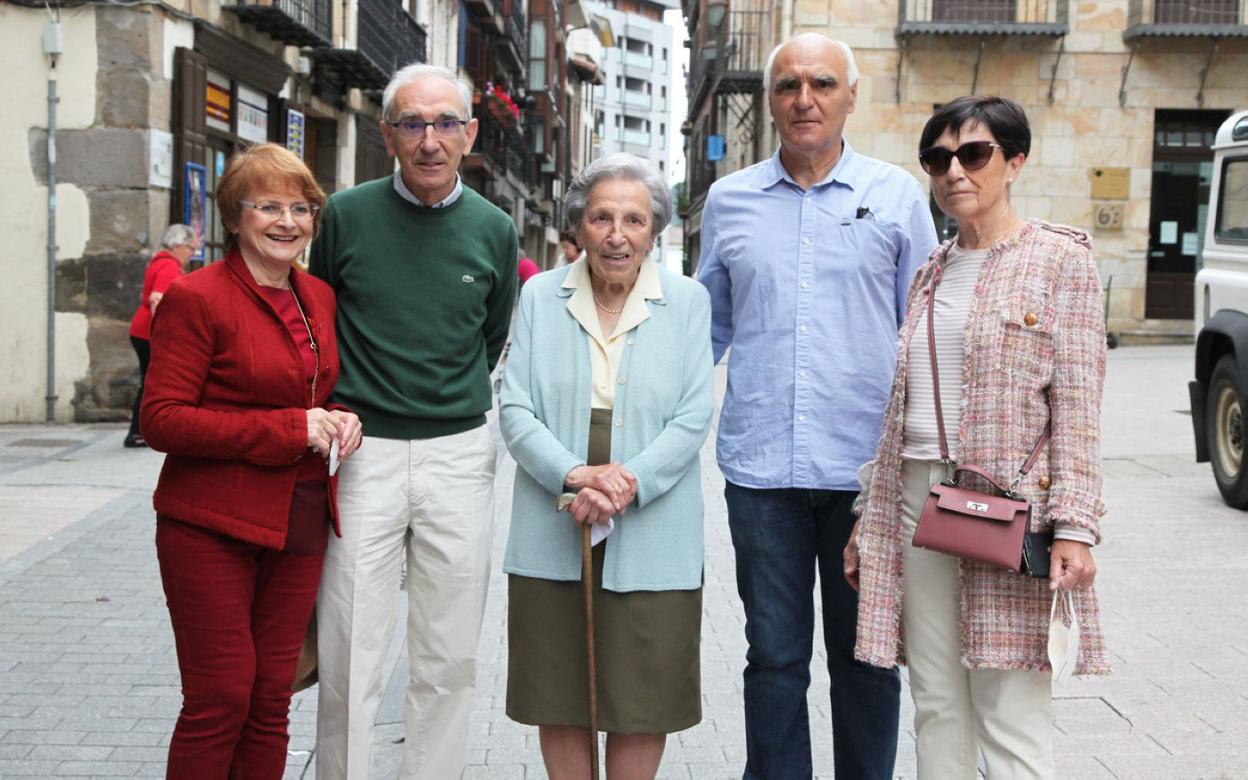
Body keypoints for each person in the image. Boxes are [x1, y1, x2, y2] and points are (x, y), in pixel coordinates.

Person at [696, 33, 939, 779]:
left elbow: (922, 333)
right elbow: (703, 329)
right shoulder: (729, 200)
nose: (805, 99)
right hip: (761, 472)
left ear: (850, 97)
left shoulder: (896, 195)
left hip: (867, 476)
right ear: (771, 101)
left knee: (869, 659)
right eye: (788, 85)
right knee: (773, 659)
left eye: (823, 83)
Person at [845, 95, 1110, 779]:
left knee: (1010, 702)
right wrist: (866, 520)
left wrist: (1076, 527)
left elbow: (1078, 407)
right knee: (936, 700)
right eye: (938, 157)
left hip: (1008, 507)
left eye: (974, 153)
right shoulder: (931, 270)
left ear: (1015, 161)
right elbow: (899, 406)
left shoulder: (1059, 261)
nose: (954, 170)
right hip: (916, 498)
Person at [309, 63, 518, 779]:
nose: (430, 140)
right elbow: (323, 319)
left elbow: (488, 337)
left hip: (458, 453)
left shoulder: (495, 229)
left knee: (449, 653)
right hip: (361, 450)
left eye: (445, 123)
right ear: (387, 133)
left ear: (469, 134)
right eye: (412, 123)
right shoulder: (345, 215)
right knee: (349, 647)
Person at [141, 143, 362, 777]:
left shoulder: (317, 295)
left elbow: (317, 389)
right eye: (267, 206)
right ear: (234, 219)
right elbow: (162, 420)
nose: (287, 221)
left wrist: (344, 417)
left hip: (298, 523)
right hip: (211, 525)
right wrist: (290, 429)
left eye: (301, 207)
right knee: (221, 697)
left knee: (270, 700)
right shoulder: (196, 297)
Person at [500, 152, 714, 779]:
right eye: (601, 218)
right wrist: (575, 474)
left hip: (654, 513)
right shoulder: (541, 295)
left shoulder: (688, 300)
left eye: (634, 220)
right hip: (553, 507)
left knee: (643, 692)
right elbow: (514, 409)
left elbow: (694, 414)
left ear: (655, 230)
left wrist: (626, 481)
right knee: (556, 687)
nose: (617, 235)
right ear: (579, 226)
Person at [124, 224, 195, 448]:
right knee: (151, 382)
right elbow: (157, 299)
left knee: (147, 381)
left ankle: (138, 431)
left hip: (140, 331)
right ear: (177, 245)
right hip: (148, 333)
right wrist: (164, 335)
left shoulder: (160, 261)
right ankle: (138, 431)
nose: (192, 253)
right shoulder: (169, 266)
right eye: (190, 248)